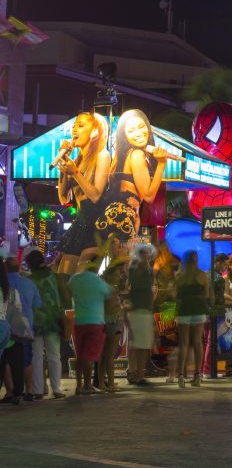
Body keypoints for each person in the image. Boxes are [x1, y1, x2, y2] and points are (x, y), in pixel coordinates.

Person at [96, 109, 169, 250]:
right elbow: (148, 196)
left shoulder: (121, 157)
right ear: (124, 136)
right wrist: (161, 164)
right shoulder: (137, 154)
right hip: (122, 217)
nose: (138, 133)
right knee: (124, 266)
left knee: (114, 265)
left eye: (142, 127)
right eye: (131, 131)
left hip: (115, 215)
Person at [56, 112, 111, 273]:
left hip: (95, 224)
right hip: (81, 221)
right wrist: (64, 162)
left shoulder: (102, 155)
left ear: (94, 131)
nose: (74, 130)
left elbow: (95, 195)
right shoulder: (77, 160)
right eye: (74, 126)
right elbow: (63, 198)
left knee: (78, 278)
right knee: (61, 274)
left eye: (80, 125)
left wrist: (75, 173)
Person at [25, 249, 70, 399]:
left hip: (35, 322)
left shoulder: (29, 279)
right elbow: (66, 297)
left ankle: (38, 390)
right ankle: (56, 389)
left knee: (36, 356)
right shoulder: (55, 277)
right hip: (53, 320)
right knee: (54, 355)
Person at [69, 260, 112, 395]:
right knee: (89, 356)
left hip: (79, 321)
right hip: (95, 322)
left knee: (80, 356)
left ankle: (79, 386)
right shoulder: (99, 282)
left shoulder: (75, 279)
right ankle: (88, 385)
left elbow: (67, 292)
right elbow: (110, 296)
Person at [3, 254, 41, 403]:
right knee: (26, 360)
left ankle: (10, 392)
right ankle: (29, 391)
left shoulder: (3, 284)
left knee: (6, 361)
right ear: (19, 267)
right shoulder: (29, 283)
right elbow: (37, 305)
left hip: (6, 329)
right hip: (25, 328)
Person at [174, 251, 210, 388]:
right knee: (197, 342)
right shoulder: (202, 275)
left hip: (184, 310)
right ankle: (197, 375)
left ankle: (181, 376)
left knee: (183, 343)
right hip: (198, 310)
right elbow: (206, 293)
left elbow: (175, 295)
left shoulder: (180, 277)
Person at [126, 243, 156, 386]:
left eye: (147, 253)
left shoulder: (149, 269)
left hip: (144, 309)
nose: (146, 255)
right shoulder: (136, 268)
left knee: (141, 344)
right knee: (136, 344)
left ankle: (138, 373)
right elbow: (132, 285)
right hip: (136, 309)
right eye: (143, 253)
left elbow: (151, 289)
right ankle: (135, 373)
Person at [99, 261, 127, 393]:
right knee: (110, 355)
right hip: (113, 322)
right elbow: (113, 307)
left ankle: (101, 383)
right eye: (116, 274)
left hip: (103, 321)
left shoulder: (102, 288)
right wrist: (123, 307)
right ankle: (110, 384)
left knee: (103, 356)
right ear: (110, 276)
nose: (119, 277)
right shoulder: (111, 289)